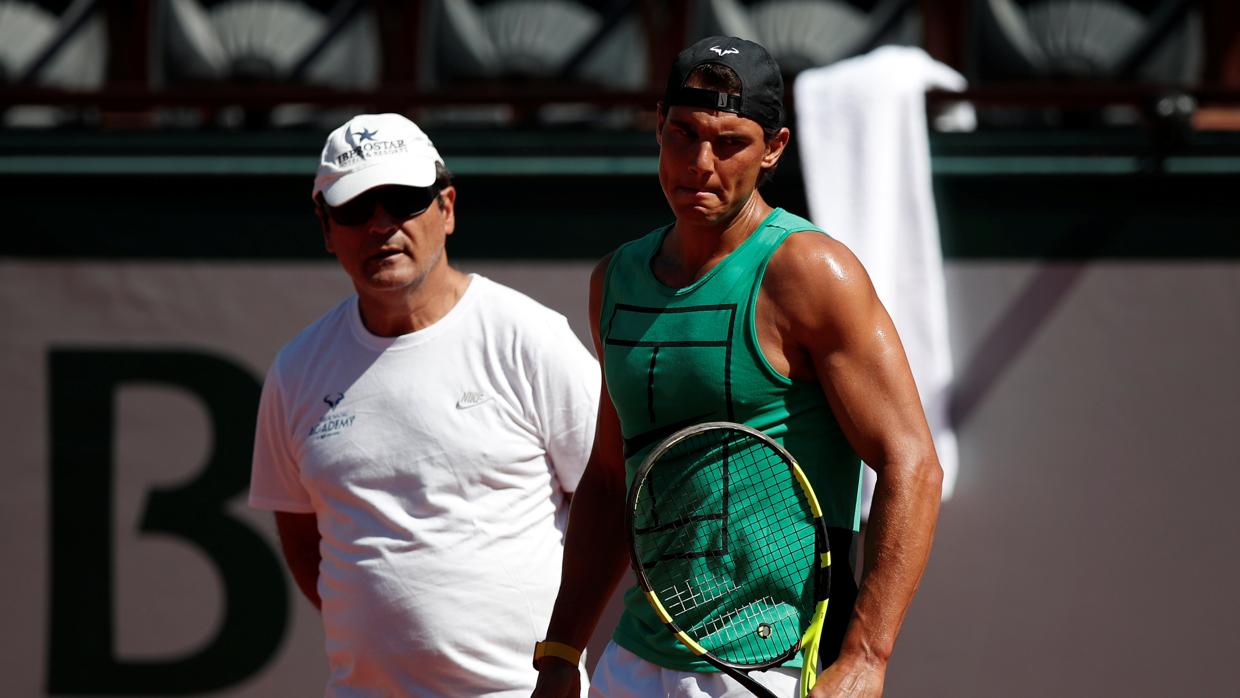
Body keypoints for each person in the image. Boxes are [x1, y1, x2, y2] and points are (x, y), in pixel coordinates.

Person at [531, 37, 943, 698]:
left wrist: (867, 654)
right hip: (634, 663)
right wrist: (560, 651)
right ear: (658, 126)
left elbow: (912, 462)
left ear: (774, 148)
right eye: (682, 135)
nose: (699, 164)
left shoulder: (812, 272)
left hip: (773, 667)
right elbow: (612, 478)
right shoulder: (615, 279)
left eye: (729, 143)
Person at [249, 112, 600, 697]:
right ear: (326, 226)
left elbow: (610, 507)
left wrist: (563, 654)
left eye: (405, 200)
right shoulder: (295, 370)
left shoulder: (528, 338)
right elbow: (306, 539)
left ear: (447, 207)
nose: (381, 224)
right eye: (356, 209)